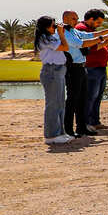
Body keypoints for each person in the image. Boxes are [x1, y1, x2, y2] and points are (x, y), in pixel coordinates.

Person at [60, 9, 108, 137]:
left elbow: (90, 36)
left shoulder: (74, 31)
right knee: (73, 99)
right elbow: (81, 44)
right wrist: (103, 38)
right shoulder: (64, 32)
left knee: (82, 99)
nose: (77, 21)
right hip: (72, 68)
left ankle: (81, 127)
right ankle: (68, 129)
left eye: (77, 18)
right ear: (65, 19)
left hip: (81, 67)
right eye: (74, 18)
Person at [33, 16, 75, 145]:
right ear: (45, 27)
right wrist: (61, 33)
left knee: (60, 103)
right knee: (53, 104)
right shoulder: (44, 38)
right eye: (53, 25)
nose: (54, 28)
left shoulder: (51, 37)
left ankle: (60, 133)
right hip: (51, 71)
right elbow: (65, 47)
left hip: (59, 70)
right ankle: (51, 135)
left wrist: (61, 32)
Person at [78, 7, 108, 129]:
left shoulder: (91, 30)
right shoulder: (82, 29)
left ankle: (95, 121)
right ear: (90, 19)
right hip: (91, 67)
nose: (99, 25)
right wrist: (105, 40)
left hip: (99, 67)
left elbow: (98, 45)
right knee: (90, 96)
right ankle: (86, 123)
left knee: (97, 96)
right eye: (98, 22)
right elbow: (91, 48)